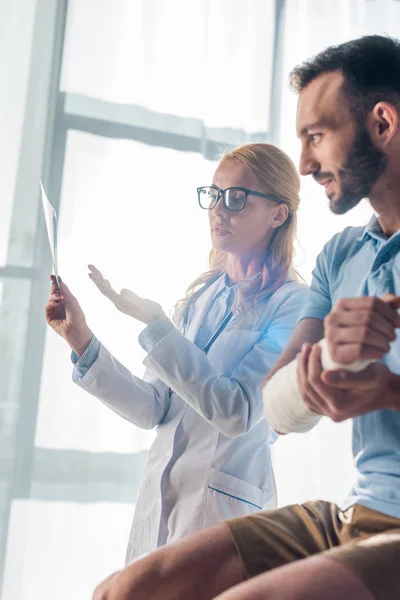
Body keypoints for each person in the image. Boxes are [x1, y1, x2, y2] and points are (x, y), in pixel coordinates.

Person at [90, 34, 400, 600]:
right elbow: (279, 411)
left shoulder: (288, 294)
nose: (305, 163)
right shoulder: (341, 258)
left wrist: (387, 389)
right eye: (217, 196)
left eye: (317, 136)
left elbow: (238, 412)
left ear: (383, 123)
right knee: (123, 591)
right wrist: (329, 364)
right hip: (355, 513)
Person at [45, 142, 307, 564]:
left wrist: (157, 326)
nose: (219, 209)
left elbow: (237, 411)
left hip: (225, 518)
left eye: (237, 197)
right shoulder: (201, 297)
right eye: (215, 194)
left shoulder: (294, 307)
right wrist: (82, 340)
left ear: (279, 214)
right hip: (162, 503)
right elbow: (154, 408)